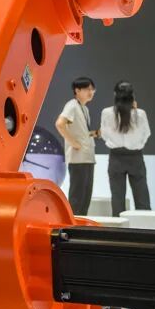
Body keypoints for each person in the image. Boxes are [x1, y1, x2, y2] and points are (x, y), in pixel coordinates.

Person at [100, 81, 151, 216]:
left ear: (115, 95)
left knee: (117, 197)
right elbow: (146, 134)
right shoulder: (140, 114)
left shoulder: (107, 112)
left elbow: (104, 134)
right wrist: (137, 144)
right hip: (135, 156)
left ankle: (119, 226)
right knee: (142, 197)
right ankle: (145, 225)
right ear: (132, 95)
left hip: (116, 156)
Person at [55, 76, 97, 216]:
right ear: (77, 90)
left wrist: (95, 134)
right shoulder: (72, 105)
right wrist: (73, 143)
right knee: (77, 197)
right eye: (87, 89)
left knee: (85, 197)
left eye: (92, 89)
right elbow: (60, 124)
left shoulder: (84, 108)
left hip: (87, 158)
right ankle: (73, 225)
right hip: (78, 159)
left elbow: (82, 132)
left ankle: (80, 224)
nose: (91, 92)